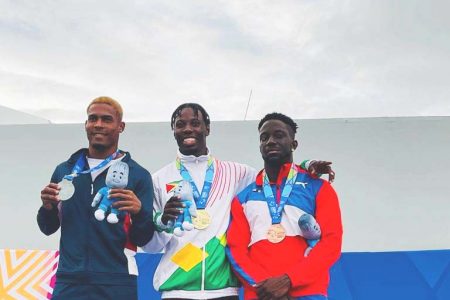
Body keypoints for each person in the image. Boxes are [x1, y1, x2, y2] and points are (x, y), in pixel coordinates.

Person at [143, 103, 334, 300]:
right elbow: (151, 246)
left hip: (224, 291)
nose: (188, 129)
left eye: (195, 123)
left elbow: (275, 172)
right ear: (173, 130)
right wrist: (163, 222)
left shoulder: (238, 173)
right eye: (180, 124)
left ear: (207, 128)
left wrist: (306, 165)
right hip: (176, 289)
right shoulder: (158, 180)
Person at [37, 97, 155, 300]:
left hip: (117, 281)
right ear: (86, 125)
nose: (98, 125)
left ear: (121, 126)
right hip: (69, 280)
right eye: (93, 119)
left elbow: (143, 238)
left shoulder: (138, 174)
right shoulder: (65, 170)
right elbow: (48, 228)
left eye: (106, 119)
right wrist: (47, 207)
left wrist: (140, 212)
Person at [226, 112, 343, 300]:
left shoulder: (318, 188)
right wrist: (266, 287)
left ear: (294, 144)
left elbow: (331, 243)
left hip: (308, 293)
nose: (270, 141)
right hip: (261, 294)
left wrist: (290, 280)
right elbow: (235, 250)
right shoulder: (243, 198)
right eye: (264, 138)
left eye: (278, 135)